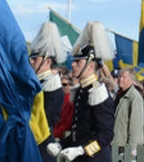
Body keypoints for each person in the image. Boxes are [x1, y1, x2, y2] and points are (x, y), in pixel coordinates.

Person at [50, 21, 115, 162]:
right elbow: (80, 132)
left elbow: (106, 135)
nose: (72, 64)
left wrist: (82, 150)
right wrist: (61, 144)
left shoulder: (98, 92)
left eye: (78, 62)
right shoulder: (81, 90)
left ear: (91, 66)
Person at [28, 21, 69, 161]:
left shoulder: (53, 88)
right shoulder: (36, 83)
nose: (31, 62)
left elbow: (43, 121)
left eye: (35, 58)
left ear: (47, 62)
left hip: (42, 145)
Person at [111, 69, 144, 156]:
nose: (120, 79)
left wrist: (131, 147)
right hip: (115, 142)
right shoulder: (118, 95)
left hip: (124, 144)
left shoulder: (134, 97)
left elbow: (136, 124)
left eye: (124, 77)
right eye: (119, 76)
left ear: (131, 80)